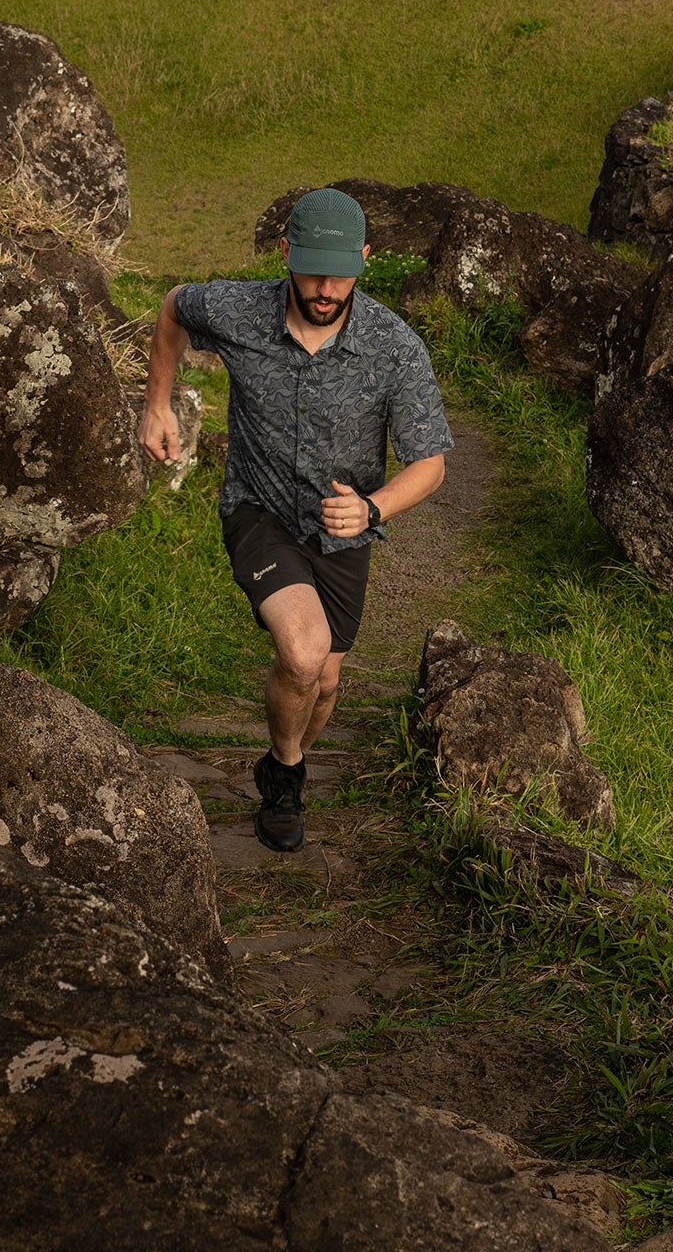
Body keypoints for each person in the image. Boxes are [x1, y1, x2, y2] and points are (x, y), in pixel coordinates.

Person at [138, 187, 453, 852]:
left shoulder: (395, 348)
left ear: (366, 261)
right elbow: (172, 309)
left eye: (342, 274)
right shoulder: (238, 311)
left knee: (327, 679)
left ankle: (285, 757)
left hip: (345, 528)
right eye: (312, 270)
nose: (325, 287)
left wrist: (372, 508)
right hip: (259, 508)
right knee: (303, 652)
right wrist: (156, 404)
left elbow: (430, 463)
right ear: (286, 255)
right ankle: (285, 776)